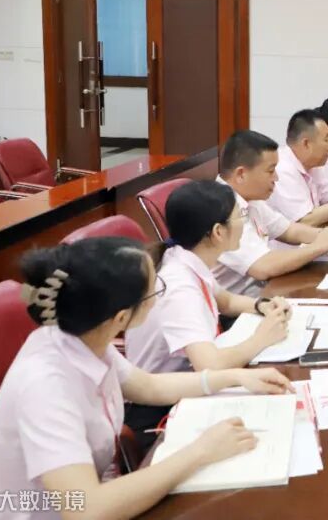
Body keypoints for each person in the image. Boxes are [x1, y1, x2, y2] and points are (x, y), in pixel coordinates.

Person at [0, 237, 292, 520]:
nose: (159, 297)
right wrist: (200, 452)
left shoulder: (84, 336)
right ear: (121, 318)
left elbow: (149, 386)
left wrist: (235, 377)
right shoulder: (45, 387)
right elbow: (87, 509)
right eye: (154, 290)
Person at [125, 181, 295, 452]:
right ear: (218, 232)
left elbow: (225, 301)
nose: (244, 224)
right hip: (160, 410)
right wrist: (260, 339)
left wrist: (261, 305)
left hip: (190, 385)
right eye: (240, 217)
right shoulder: (179, 286)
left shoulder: (186, 258)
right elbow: (210, 365)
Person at [214, 130, 328, 297]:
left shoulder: (251, 199)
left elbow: (289, 230)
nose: (276, 178)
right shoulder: (221, 208)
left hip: (263, 294)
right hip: (238, 307)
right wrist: (319, 246)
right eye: (270, 171)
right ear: (241, 174)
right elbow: (263, 266)